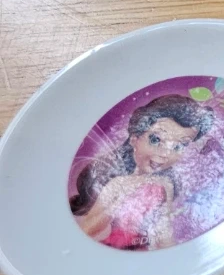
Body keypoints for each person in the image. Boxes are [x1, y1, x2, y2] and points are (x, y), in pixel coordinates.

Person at [70, 95, 213, 250]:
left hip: (145, 252)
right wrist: (116, 204)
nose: (165, 154)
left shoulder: (165, 185)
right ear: (134, 139)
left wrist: (174, 254)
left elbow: (163, 228)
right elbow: (88, 229)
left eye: (178, 146)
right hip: (114, 250)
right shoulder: (118, 183)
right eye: (155, 140)